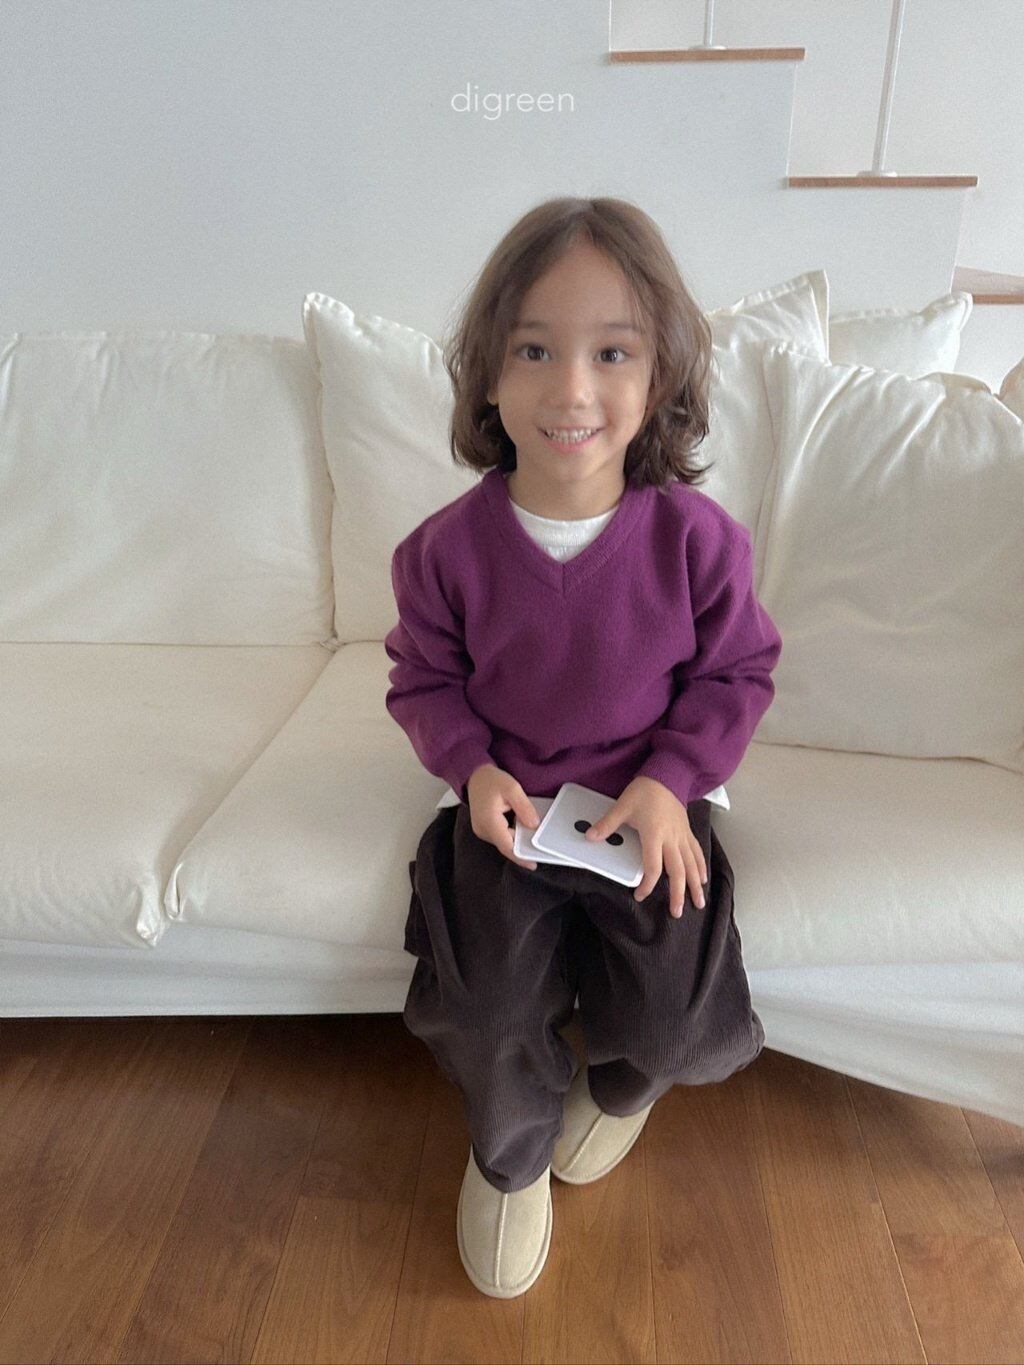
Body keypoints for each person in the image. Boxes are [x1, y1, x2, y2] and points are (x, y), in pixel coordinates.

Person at [384, 196, 783, 1299]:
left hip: (645, 804)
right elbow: (423, 681)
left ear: (658, 376)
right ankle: (509, 1157)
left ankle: (612, 1095)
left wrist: (670, 782)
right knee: (485, 1007)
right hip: (507, 809)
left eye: (611, 352)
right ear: (487, 375)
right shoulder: (440, 554)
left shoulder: (698, 542)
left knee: (680, 1023)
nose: (570, 389)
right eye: (533, 350)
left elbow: (736, 672)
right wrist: (473, 770)